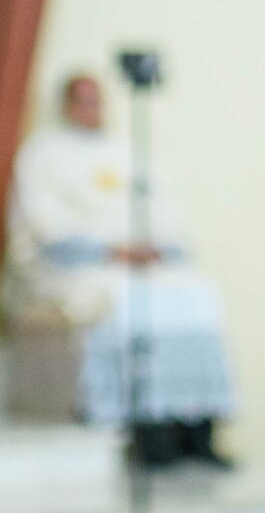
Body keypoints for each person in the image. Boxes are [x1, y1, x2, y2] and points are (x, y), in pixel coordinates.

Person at [4, 73, 236, 466]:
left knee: (199, 294)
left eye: (97, 99)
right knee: (124, 301)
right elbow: (46, 227)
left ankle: (197, 430)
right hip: (87, 266)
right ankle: (148, 434)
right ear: (66, 105)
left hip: (140, 262)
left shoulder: (126, 151)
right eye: (82, 100)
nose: (91, 108)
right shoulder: (43, 153)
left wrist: (154, 247)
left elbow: (164, 210)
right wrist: (112, 250)